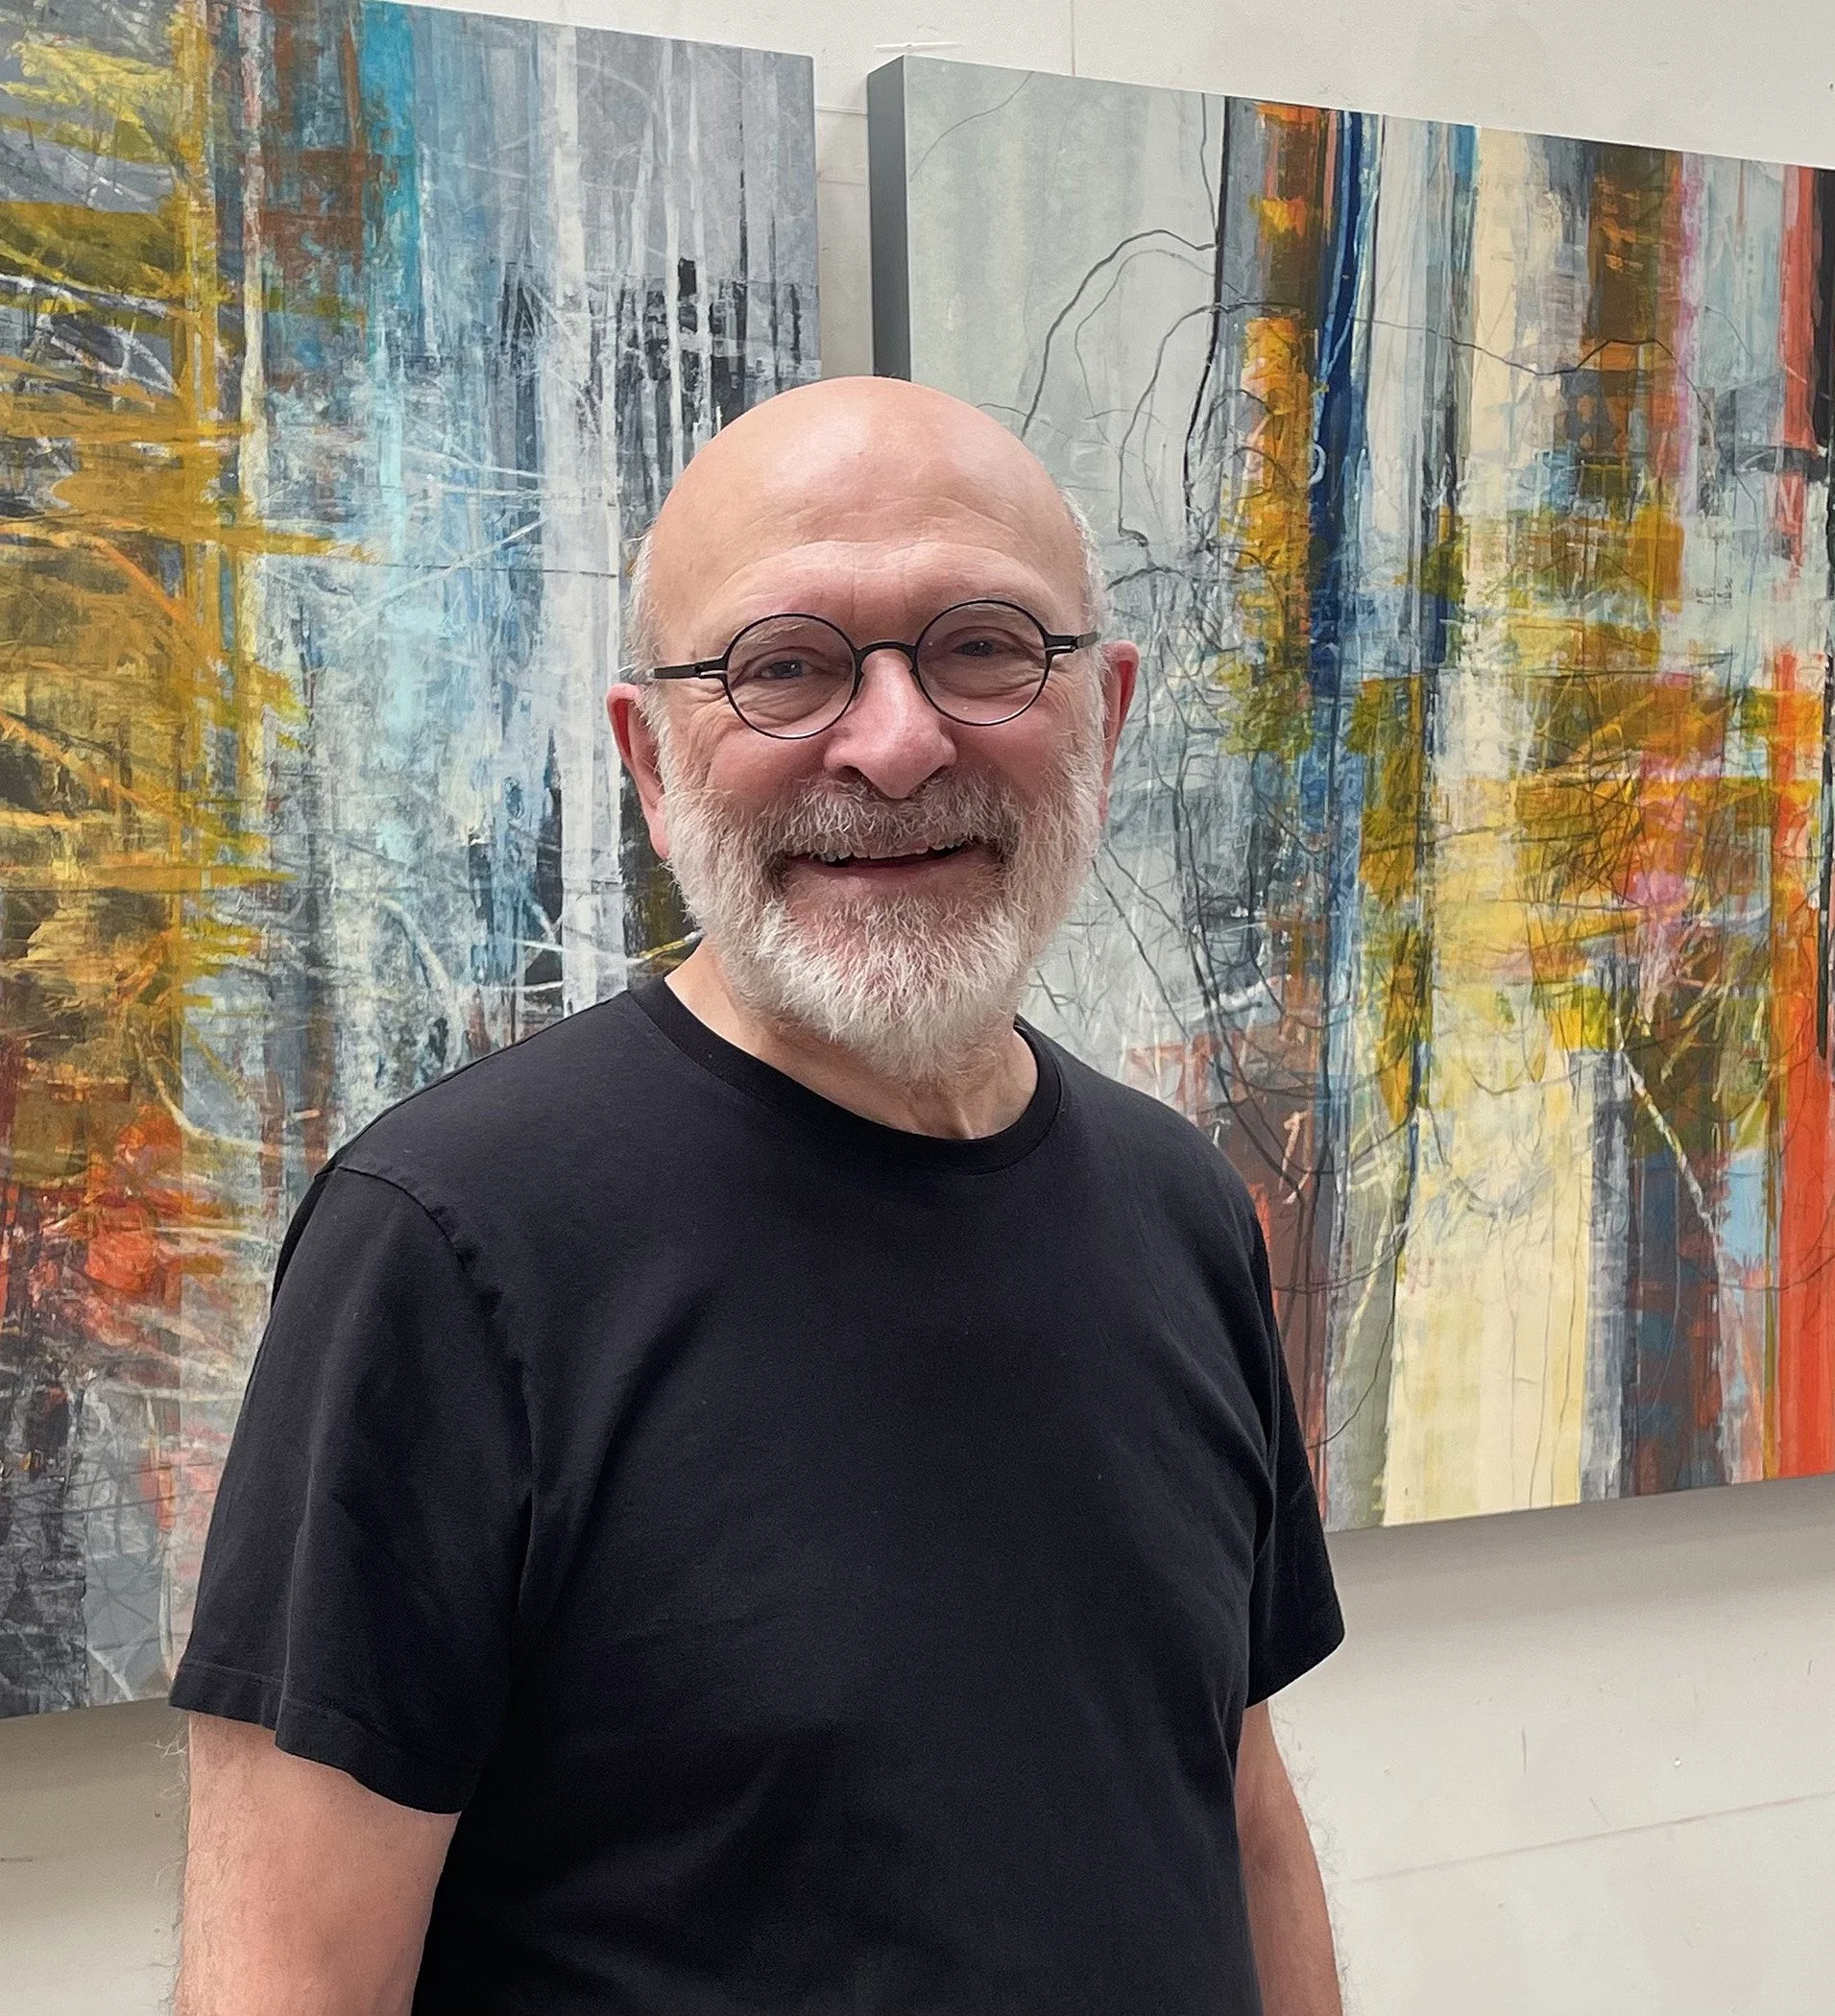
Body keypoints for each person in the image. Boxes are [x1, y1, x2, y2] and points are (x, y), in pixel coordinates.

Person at [171, 376, 1347, 2016]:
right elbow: (285, 1988)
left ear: (1108, 711)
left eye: (985, 645)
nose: (894, 740)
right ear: (650, 760)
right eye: (782, 667)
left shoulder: (1183, 1209)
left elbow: (1240, 1817)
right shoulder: (446, 1248)